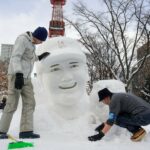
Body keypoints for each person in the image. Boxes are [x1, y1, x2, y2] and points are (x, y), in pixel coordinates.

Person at [0, 27, 50, 139]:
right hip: (16, 76)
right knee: (12, 104)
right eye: (41, 40)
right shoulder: (22, 39)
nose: (41, 43)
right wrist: (18, 74)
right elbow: (16, 57)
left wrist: (39, 57)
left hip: (27, 78)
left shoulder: (32, 45)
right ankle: (1, 130)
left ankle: (26, 131)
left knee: (30, 103)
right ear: (36, 37)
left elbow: (29, 57)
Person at [36, 37, 90, 120]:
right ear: (40, 78)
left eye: (73, 66)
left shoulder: (99, 114)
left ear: (86, 71)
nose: (68, 77)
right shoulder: (36, 121)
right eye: (55, 69)